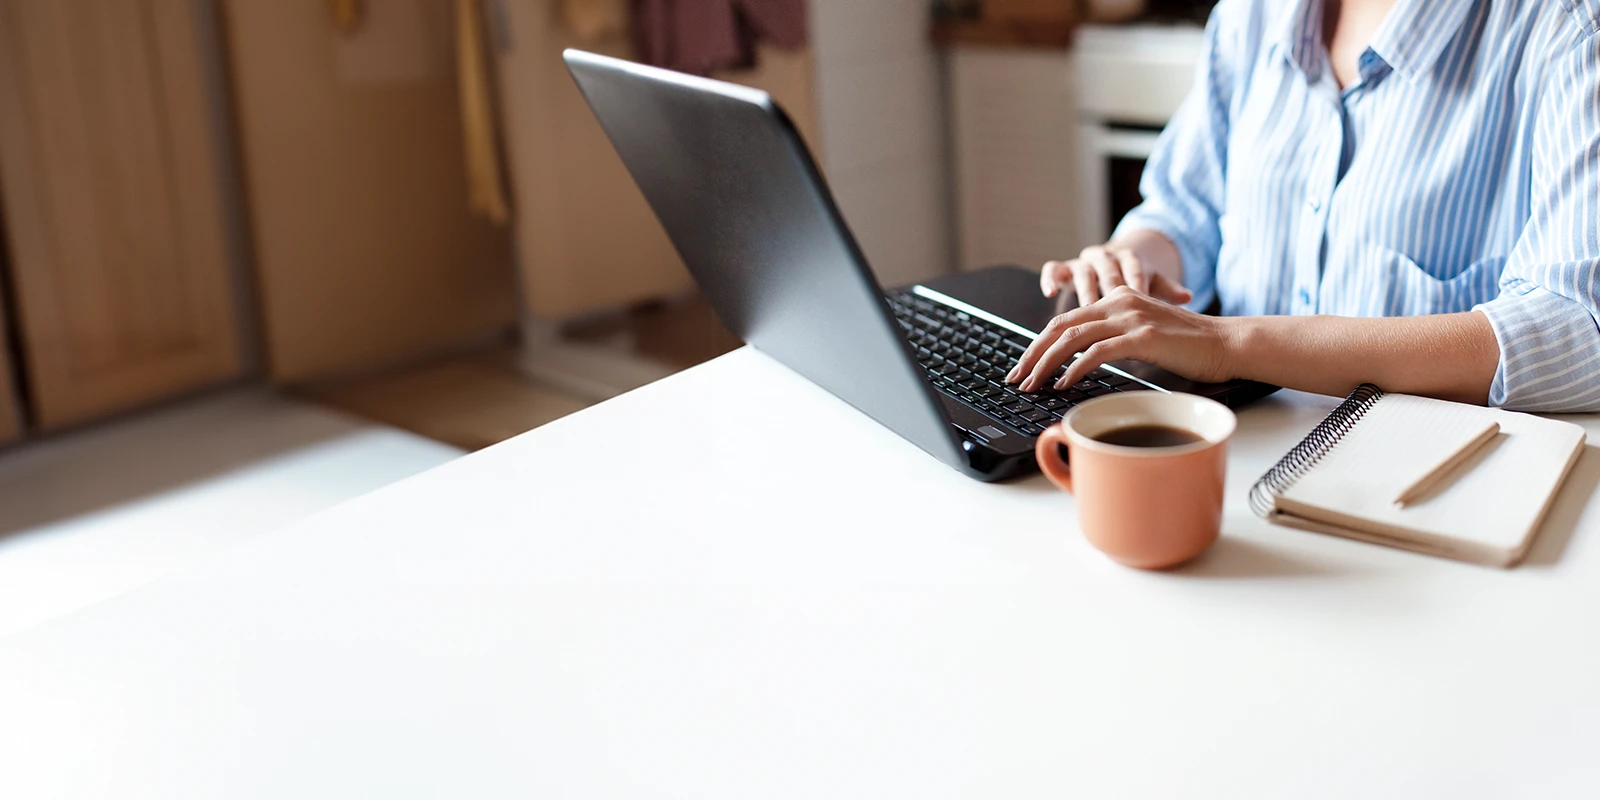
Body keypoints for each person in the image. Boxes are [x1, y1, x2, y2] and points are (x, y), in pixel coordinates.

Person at [1007, 0, 1600, 412]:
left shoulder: (1568, 30)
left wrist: (1227, 344)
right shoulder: (1247, 16)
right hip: (1228, 446)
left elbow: (1581, 328)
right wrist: (1131, 262)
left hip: (1416, 484)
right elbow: (1184, 210)